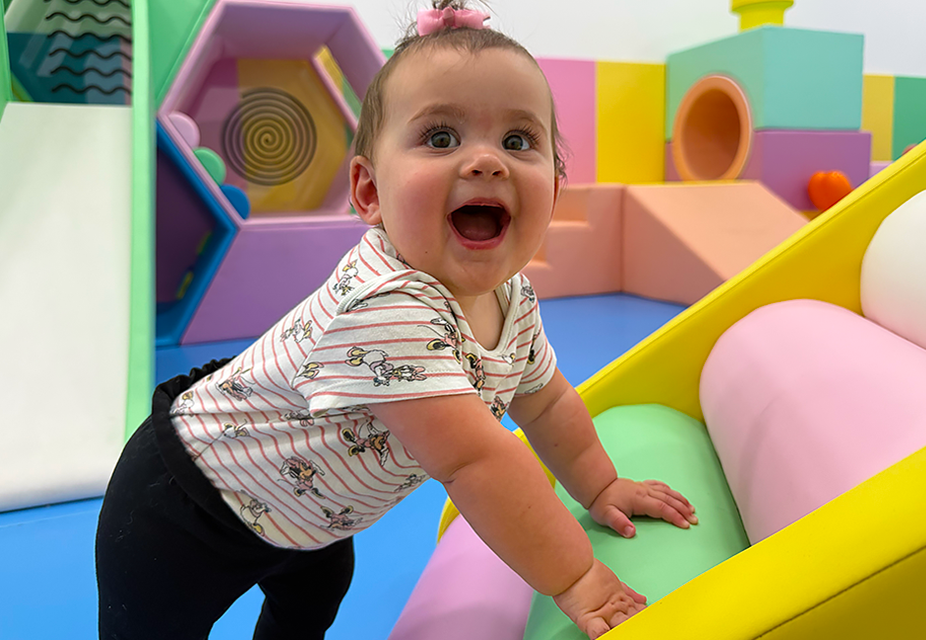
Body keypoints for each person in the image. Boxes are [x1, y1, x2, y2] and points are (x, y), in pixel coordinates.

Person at [95, 2, 698, 638]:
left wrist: (600, 485)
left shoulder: (513, 296)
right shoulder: (388, 306)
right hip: (186, 505)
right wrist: (577, 578)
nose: (486, 161)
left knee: (311, 603)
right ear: (370, 192)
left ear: (557, 182)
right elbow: (478, 464)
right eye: (441, 138)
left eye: (518, 141)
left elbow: (546, 405)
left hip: (313, 515)